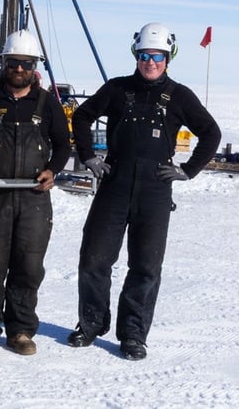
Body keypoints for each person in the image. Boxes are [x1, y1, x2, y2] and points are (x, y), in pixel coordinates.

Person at [67, 22, 221, 360]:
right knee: (94, 260)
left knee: (146, 267)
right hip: (115, 187)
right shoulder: (117, 89)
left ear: (169, 58)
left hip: (155, 192)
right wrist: (88, 156)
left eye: (157, 56)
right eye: (144, 55)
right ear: (136, 55)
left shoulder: (179, 96)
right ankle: (91, 324)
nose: (150, 62)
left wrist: (188, 170)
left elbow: (211, 133)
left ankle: (134, 335)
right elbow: (81, 117)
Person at [0, 29, 71, 356]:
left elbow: (63, 145)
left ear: (34, 66)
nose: (17, 69)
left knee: (29, 266)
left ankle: (20, 329)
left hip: (33, 199)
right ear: (2, 63)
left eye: (24, 63)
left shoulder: (47, 104)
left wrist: (53, 169)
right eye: (12, 63)